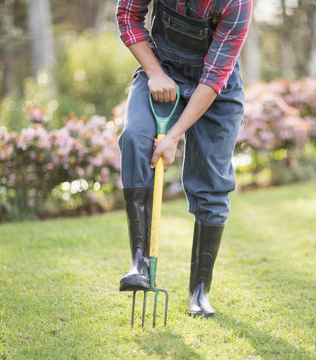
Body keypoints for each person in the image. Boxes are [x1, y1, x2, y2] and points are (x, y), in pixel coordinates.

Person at [116, 0, 252, 317]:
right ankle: (140, 261)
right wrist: (154, 72)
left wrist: (174, 135)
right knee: (136, 138)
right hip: (162, 68)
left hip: (216, 88)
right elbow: (127, 14)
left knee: (212, 182)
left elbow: (215, 75)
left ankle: (200, 292)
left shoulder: (236, 3)